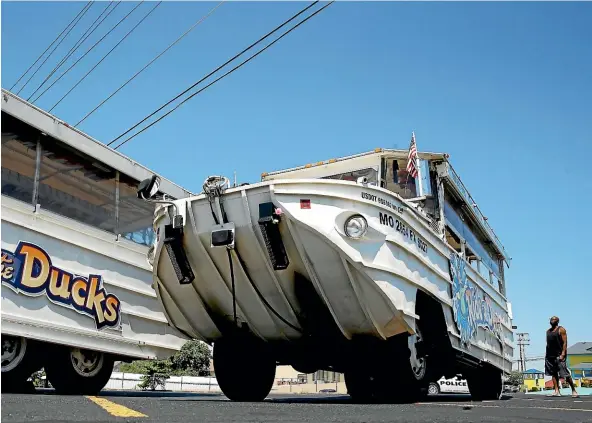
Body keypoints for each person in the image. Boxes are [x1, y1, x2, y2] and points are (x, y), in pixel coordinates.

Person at [545, 316, 579, 397]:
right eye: (551, 319)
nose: (552, 321)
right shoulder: (548, 331)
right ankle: (557, 391)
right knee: (553, 373)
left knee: (564, 373)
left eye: (554, 319)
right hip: (550, 355)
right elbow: (548, 344)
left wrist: (563, 353)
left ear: (557, 321)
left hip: (559, 354)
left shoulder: (561, 329)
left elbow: (564, 342)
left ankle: (574, 391)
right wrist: (547, 354)